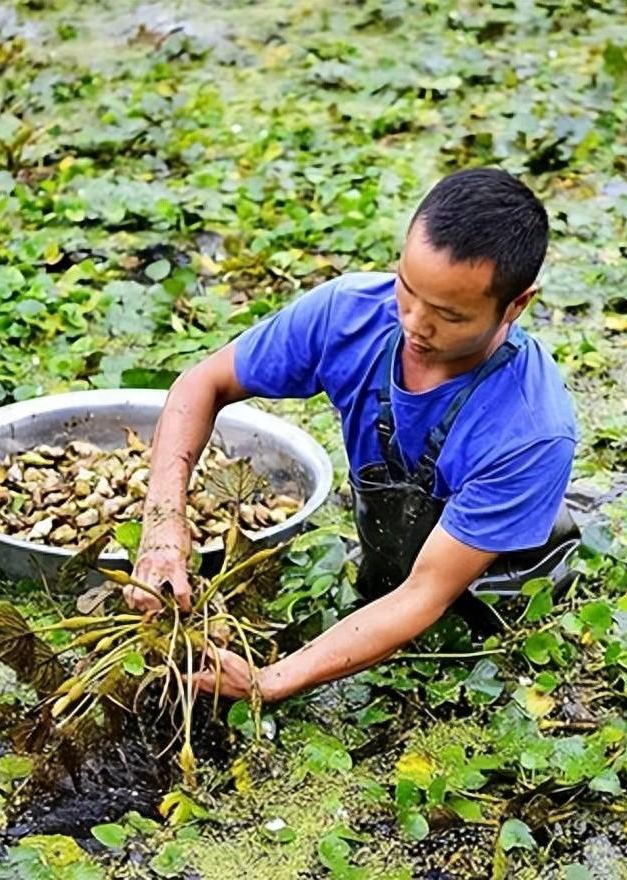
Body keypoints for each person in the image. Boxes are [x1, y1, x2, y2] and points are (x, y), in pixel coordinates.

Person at [125, 167, 580, 703]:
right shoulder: (350, 315)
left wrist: (270, 681)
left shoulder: (529, 432)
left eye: (449, 316)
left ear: (516, 305)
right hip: (394, 579)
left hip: (489, 615)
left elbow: (425, 594)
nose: (414, 323)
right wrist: (162, 525)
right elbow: (202, 384)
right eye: (407, 290)